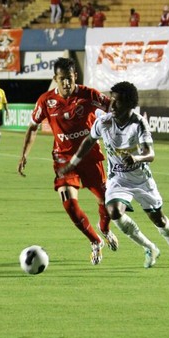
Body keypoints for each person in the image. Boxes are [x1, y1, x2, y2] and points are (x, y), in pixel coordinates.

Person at [57, 81, 169, 269]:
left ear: (128, 104)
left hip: (141, 179)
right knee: (114, 211)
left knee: (158, 219)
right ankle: (150, 248)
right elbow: (88, 141)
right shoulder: (103, 121)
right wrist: (72, 163)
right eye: (111, 100)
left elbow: (150, 154)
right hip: (118, 179)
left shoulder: (138, 123)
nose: (112, 105)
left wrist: (136, 158)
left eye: (117, 102)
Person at [17, 58, 118, 266]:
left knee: (106, 204)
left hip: (90, 157)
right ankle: (95, 241)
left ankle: (105, 229)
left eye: (69, 79)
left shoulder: (89, 95)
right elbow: (33, 126)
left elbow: (113, 108)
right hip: (63, 160)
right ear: (55, 79)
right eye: (61, 79)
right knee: (69, 204)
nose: (66, 84)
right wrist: (24, 154)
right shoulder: (46, 101)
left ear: (75, 77)